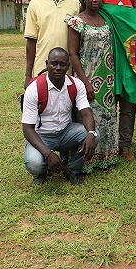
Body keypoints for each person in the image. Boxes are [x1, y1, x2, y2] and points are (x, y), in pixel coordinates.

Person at [22, 47, 97, 185]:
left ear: (68, 66)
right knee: (34, 164)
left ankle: (71, 170)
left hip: (66, 131)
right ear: (46, 64)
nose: (58, 68)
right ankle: (42, 171)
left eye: (62, 64)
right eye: (53, 63)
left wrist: (91, 133)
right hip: (42, 135)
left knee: (92, 135)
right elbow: (27, 128)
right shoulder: (34, 89)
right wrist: (48, 154)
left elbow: (86, 113)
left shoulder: (76, 84)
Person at [66, 0, 119, 172]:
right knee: (89, 118)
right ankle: (86, 161)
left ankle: (106, 157)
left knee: (107, 117)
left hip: (108, 79)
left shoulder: (107, 20)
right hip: (86, 78)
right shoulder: (76, 22)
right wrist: (85, 83)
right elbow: (73, 54)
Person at [103, 0, 136, 161]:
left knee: (128, 105)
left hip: (128, 59)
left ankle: (124, 146)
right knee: (108, 104)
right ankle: (108, 143)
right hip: (107, 58)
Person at [24, 0, 80, 88]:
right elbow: (31, 42)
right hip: (42, 68)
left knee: (66, 105)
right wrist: (28, 75)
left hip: (68, 68)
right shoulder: (35, 3)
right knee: (44, 104)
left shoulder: (75, 3)